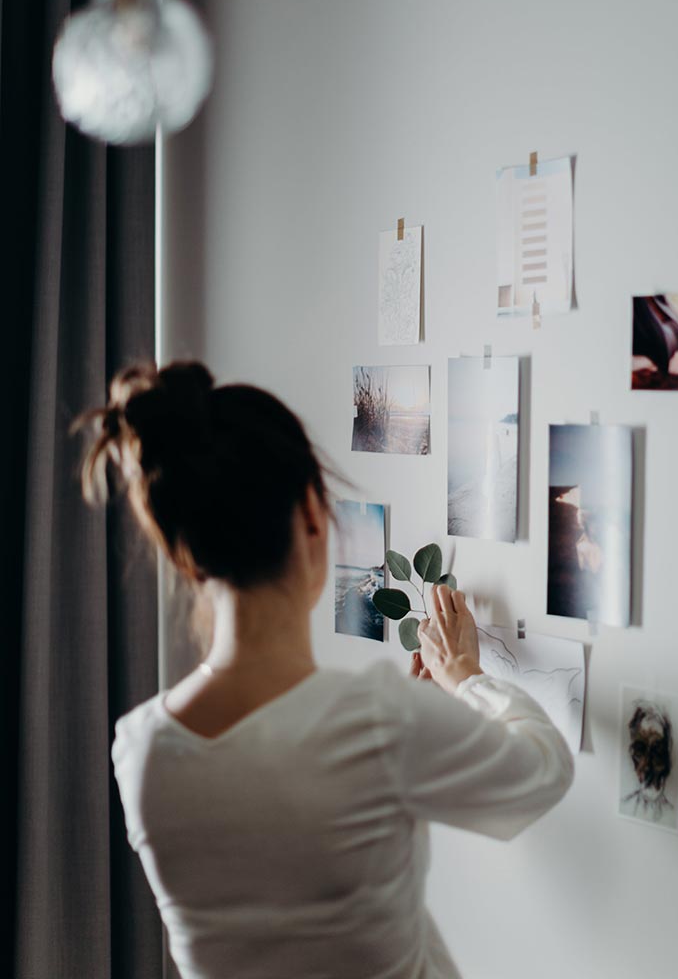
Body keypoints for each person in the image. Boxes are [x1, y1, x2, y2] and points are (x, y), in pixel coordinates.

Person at [79, 359, 574, 979]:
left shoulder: (140, 749)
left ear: (187, 554)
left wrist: (403, 741)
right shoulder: (376, 722)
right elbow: (544, 773)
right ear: (313, 517)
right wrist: (465, 676)